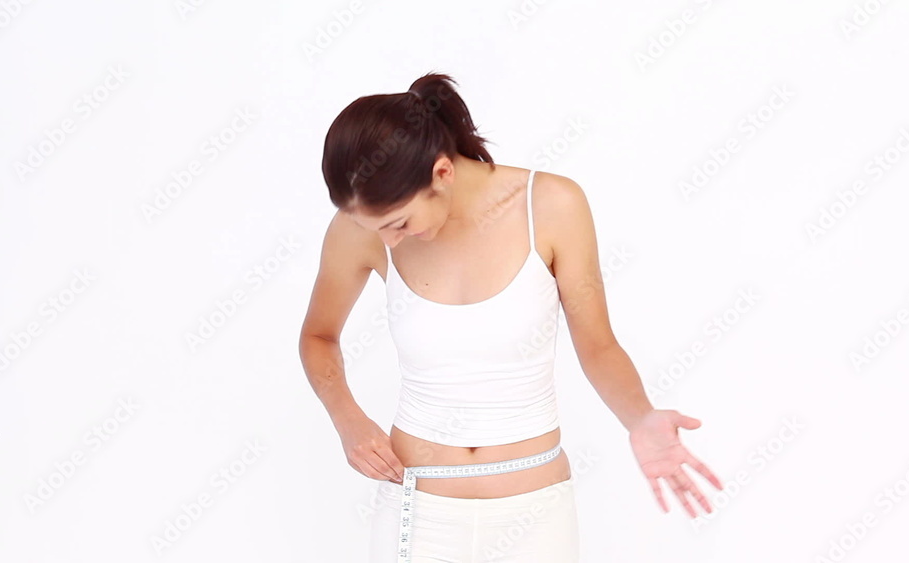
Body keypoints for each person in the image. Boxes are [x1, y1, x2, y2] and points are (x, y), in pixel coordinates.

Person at [300, 71, 724, 562]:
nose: (388, 240)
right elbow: (318, 336)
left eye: (399, 223)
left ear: (442, 174)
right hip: (416, 508)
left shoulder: (551, 206)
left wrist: (641, 419)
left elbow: (598, 345)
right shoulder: (363, 227)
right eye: (375, 228)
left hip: (535, 514)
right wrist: (348, 420)